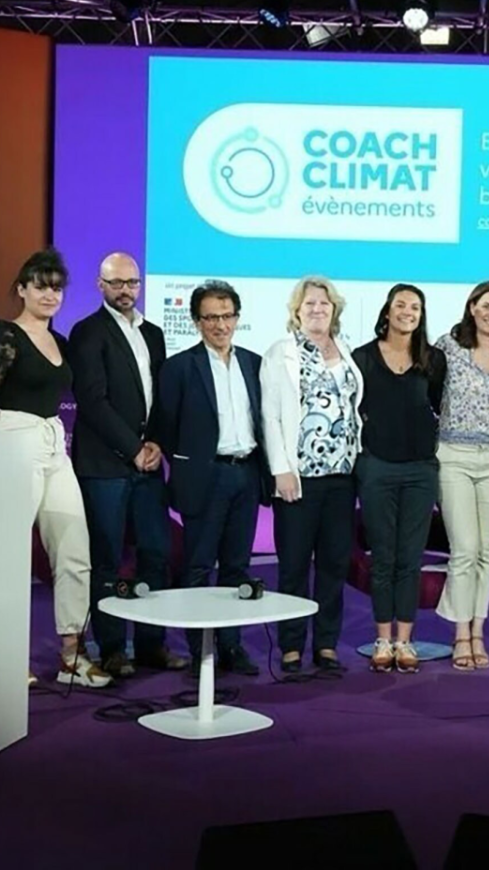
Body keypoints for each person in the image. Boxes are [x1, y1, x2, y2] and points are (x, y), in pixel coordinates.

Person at [0, 248, 111, 688]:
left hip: (53, 444)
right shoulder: (3, 336)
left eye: (57, 287)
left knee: (74, 550)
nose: (50, 294)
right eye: (41, 285)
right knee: (7, 557)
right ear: (22, 289)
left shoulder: (61, 343)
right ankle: (3, 657)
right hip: (11, 442)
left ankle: (72, 655)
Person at [68, 252, 187, 679]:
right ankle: (113, 649)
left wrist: (154, 443)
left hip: (148, 465)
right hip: (105, 467)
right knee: (107, 560)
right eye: (116, 283)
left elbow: (160, 396)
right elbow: (93, 401)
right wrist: (132, 448)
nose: (125, 291)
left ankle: (152, 644)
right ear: (100, 285)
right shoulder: (87, 333)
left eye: (132, 283)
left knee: (156, 554)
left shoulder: (153, 333)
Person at [157, 280, 270, 677]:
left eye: (226, 316)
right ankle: (199, 649)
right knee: (199, 566)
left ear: (237, 318)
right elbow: (166, 427)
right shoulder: (179, 367)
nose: (220, 325)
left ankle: (231, 647)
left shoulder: (256, 364)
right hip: (204, 478)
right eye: (210, 318)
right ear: (196, 321)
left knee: (237, 567)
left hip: (246, 474)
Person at [262, 275, 364, 673]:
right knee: (294, 565)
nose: (318, 309)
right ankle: (290, 646)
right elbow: (270, 416)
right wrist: (281, 470)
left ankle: (325, 644)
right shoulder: (281, 352)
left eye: (324, 304)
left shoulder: (348, 351)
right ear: (297, 312)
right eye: (310, 305)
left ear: (334, 309)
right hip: (298, 479)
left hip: (342, 477)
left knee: (335, 563)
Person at [352, 284, 446, 673]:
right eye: (401, 305)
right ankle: (382, 639)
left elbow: (439, 408)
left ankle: (405, 642)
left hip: (421, 470)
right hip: (377, 468)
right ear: (387, 312)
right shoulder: (362, 357)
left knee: (410, 558)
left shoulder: (434, 360)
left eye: (416, 307)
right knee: (384, 558)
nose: (408, 312)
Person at [434, 281, 489, 671]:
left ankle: (477, 633)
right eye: (486, 306)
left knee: (486, 551)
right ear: (472, 308)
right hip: (452, 454)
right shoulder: (447, 346)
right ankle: (458, 634)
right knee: (465, 549)